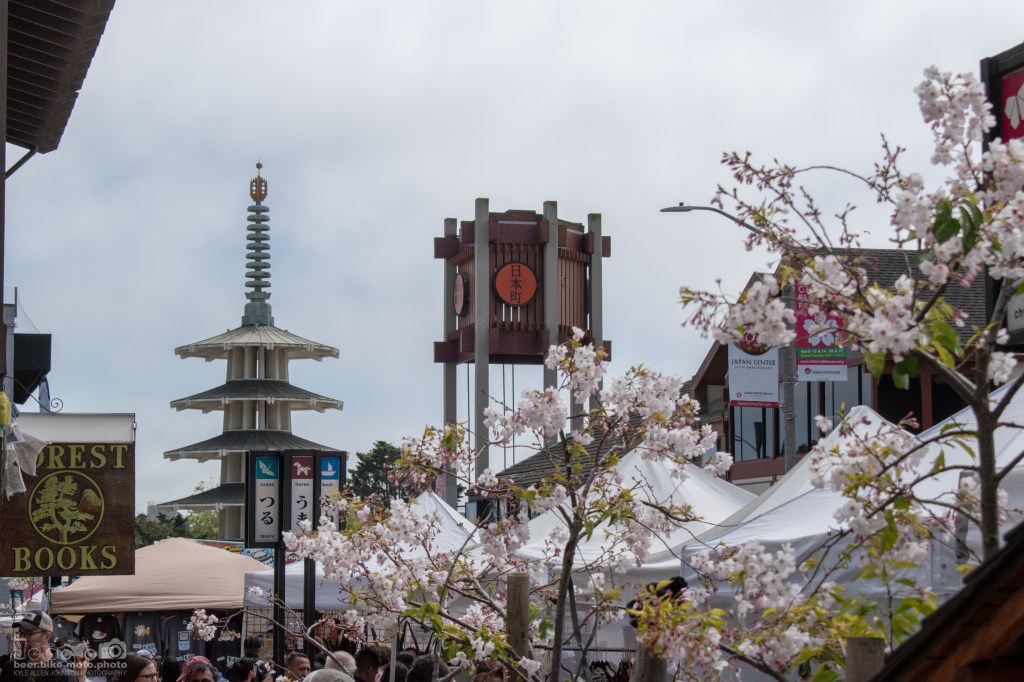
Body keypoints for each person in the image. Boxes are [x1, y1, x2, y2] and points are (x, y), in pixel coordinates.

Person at [0, 610, 77, 682]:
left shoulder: (65, 676)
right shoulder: (10, 668)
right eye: (21, 633)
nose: (22, 639)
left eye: (28, 633)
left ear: (46, 636)